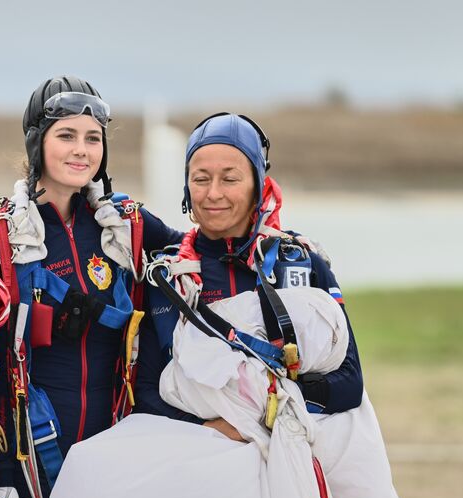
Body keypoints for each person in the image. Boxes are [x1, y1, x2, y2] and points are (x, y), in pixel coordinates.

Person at [0, 76, 183, 498]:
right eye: (66, 136)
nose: (81, 150)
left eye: (92, 138)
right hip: (27, 463)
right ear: (36, 144)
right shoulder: (2, 240)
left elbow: (200, 254)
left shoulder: (126, 226)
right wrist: (2, 475)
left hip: (117, 450)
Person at [134, 112, 363, 436]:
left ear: (258, 185)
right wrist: (213, 428)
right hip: (199, 455)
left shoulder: (300, 264)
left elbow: (350, 383)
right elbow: (146, 391)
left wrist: (266, 411)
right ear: (187, 187)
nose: (213, 193)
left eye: (229, 179)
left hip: (292, 448)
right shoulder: (166, 277)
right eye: (201, 179)